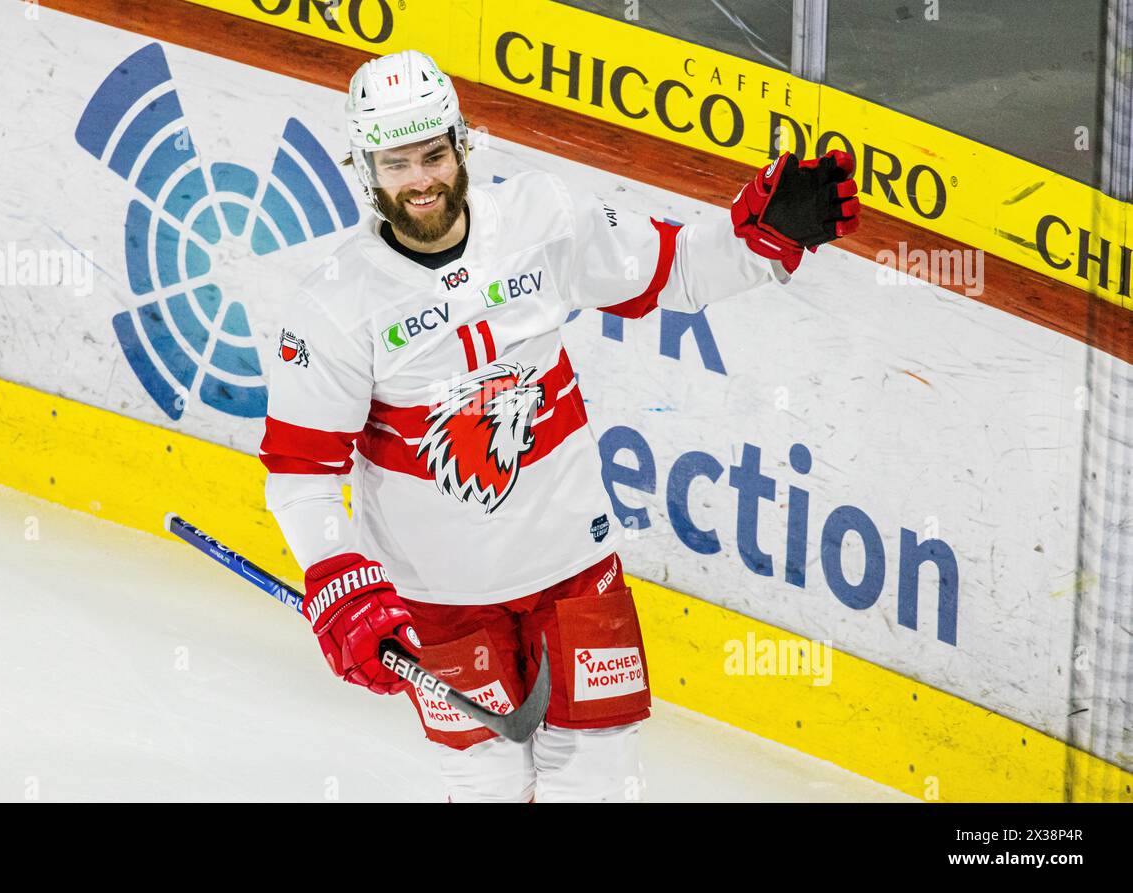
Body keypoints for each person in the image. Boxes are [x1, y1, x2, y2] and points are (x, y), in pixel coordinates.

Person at [259, 49, 859, 802]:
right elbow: (301, 476)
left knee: (602, 782)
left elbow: (672, 270)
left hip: (574, 568)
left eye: (435, 155)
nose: (421, 180)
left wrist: (763, 237)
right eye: (397, 163)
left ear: (462, 144)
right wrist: (343, 584)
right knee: (487, 784)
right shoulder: (333, 308)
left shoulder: (542, 217)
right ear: (364, 168)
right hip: (440, 597)